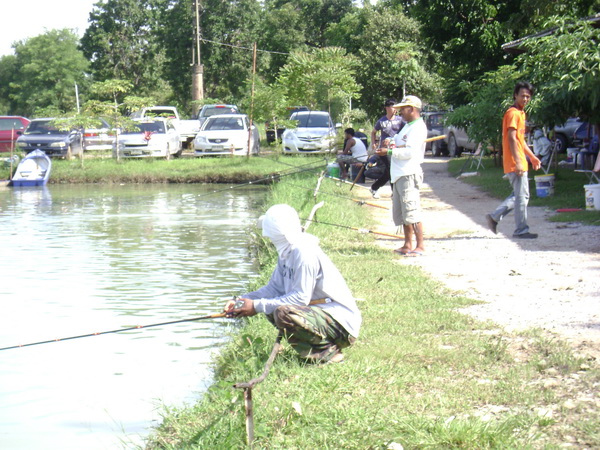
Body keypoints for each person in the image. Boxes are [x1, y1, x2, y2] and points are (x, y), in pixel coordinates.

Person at [224, 204, 362, 364]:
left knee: (283, 312)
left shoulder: (304, 253)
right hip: (319, 314)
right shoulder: (286, 253)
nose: (267, 238)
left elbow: (299, 299)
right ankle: (311, 346)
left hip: (341, 325)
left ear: (275, 233)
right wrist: (241, 301)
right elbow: (273, 289)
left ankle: (327, 353)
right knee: (270, 305)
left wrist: (255, 306)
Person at [486, 82, 541, 239]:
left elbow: (520, 140)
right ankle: (521, 230)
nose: (525, 98)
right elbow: (511, 137)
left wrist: (532, 156)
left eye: (528, 96)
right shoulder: (513, 113)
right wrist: (517, 161)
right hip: (514, 161)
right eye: (522, 95)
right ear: (515, 95)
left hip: (520, 160)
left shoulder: (521, 113)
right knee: (522, 196)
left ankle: (494, 217)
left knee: (519, 195)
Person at [376, 95, 428, 257]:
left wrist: (390, 151)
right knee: (402, 212)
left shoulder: (418, 127)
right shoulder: (407, 126)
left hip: (408, 173)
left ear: (411, 109)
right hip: (398, 174)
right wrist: (390, 142)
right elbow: (399, 141)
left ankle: (420, 246)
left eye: (403, 109)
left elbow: (410, 152)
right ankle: (407, 244)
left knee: (412, 210)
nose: (400, 112)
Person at [370, 99, 406, 198]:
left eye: (395, 107)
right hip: (384, 150)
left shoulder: (400, 120)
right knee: (390, 169)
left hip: (396, 149)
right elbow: (373, 132)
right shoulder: (381, 121)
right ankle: (393, 192)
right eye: (392, 107)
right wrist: (373, 143)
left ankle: (375, 187)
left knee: (390, 171)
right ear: (386, 108)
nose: (394, 109)